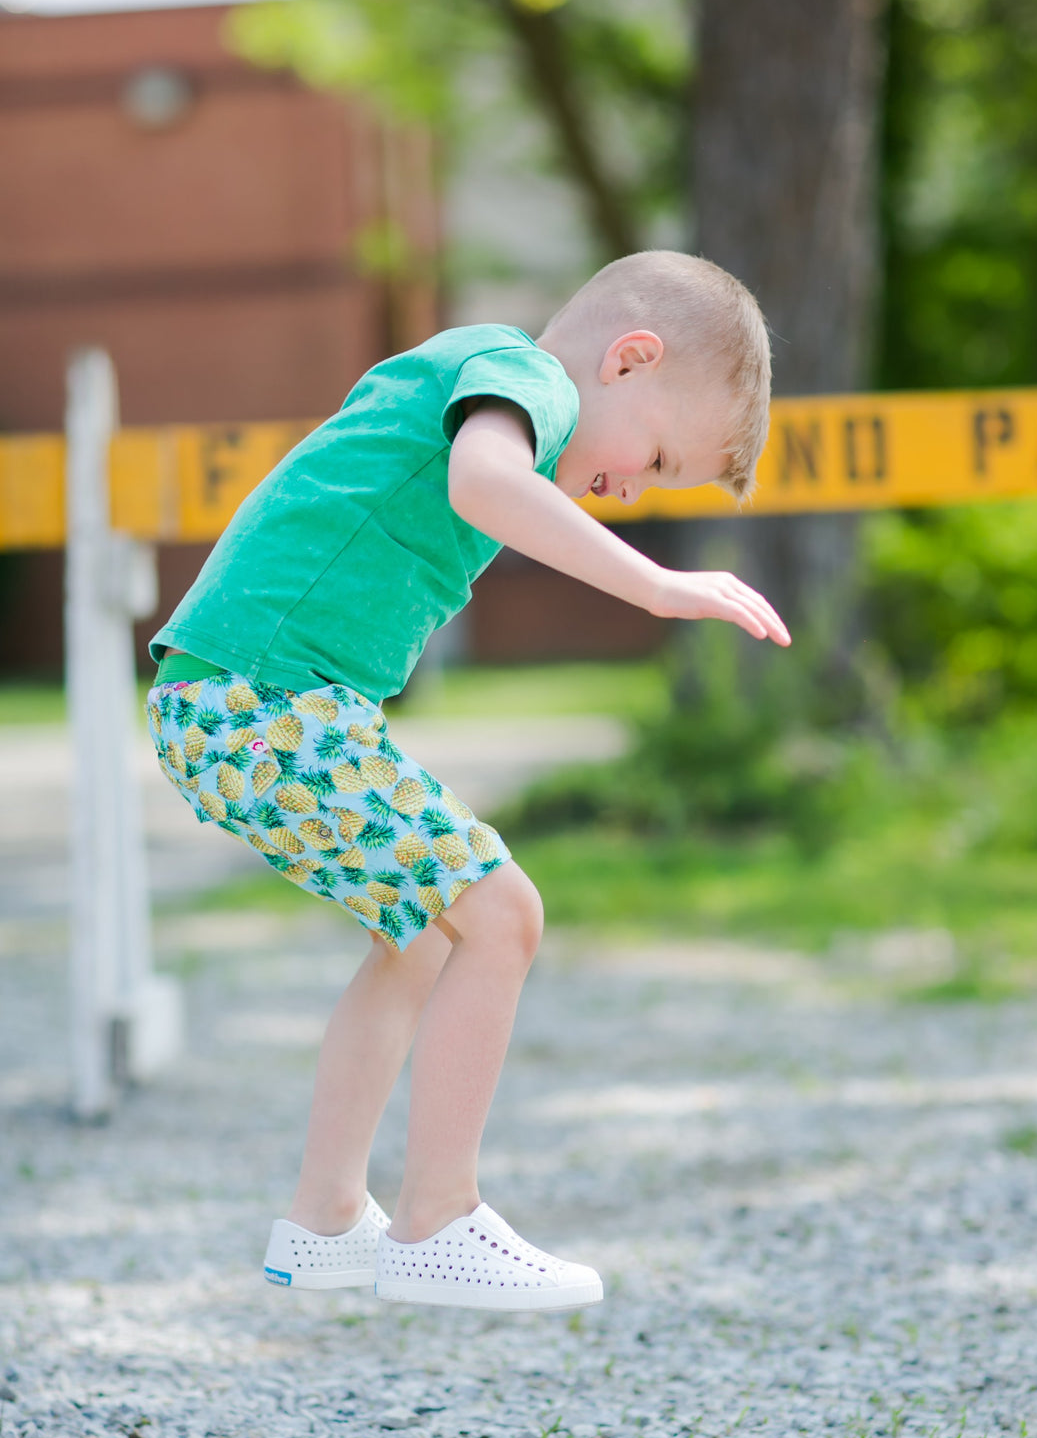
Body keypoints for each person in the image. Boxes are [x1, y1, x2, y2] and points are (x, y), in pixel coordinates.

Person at [145, 250, 790, 1314]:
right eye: (655, 457)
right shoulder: (522, 375)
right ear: (629, 360)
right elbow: (482, 484)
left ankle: (324, 1219)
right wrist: (656, 587)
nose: (632, 491)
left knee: (424, 935)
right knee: (502, 914)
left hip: (238, 705)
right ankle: (438, 1220)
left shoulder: (496, 380)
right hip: (259, 703)